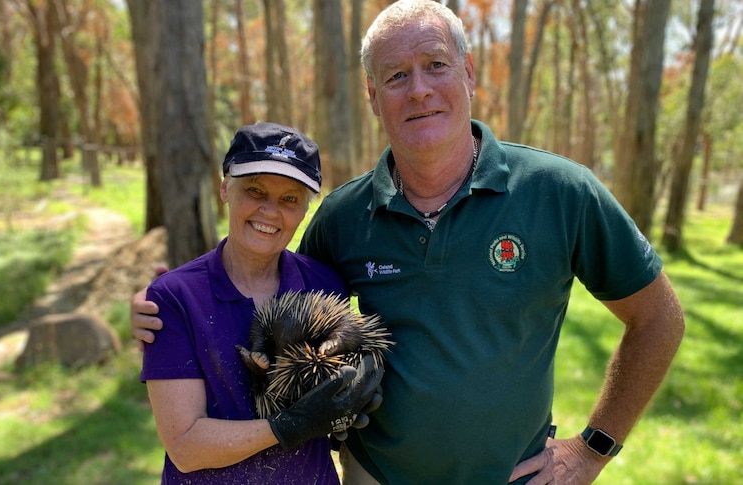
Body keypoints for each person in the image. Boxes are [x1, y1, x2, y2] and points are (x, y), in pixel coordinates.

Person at [132, 2, 685, 484]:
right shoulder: (343, 216)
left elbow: (659, 318)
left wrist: (594, 448)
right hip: (376, 476)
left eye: (435, 65)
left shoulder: (560, 191)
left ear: (468, 73)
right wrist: (165, 309)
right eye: (395, 75)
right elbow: (263, 289)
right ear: (374, 97)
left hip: (517, 477)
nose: (418, 89)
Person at [140, 121, 382, 484]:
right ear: (224, 188)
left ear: (304, 211)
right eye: (255, 190)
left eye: (290, 199)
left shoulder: (323, 283)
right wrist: (289, 426)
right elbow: (185, 447)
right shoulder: (174, 298)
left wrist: (348, 401)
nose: (270, 211)